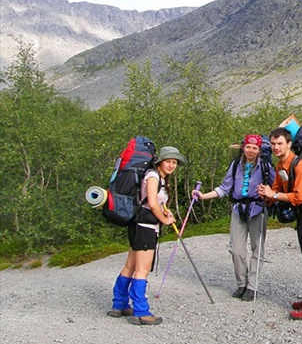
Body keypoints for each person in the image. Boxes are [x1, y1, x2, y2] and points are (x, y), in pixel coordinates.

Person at [108, 146, 186, 325]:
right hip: (145, 227)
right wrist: (164, 220)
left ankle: (119, 304)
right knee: (141, 269)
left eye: (175, 162)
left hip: (139, 225)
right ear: (160, 162)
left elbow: (154, 203)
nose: (172, 165)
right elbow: (151, 203)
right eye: (169, 161)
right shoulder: (153, 176)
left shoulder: (156, 176)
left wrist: (165, 214)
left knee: (130, 265)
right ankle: (141, 311)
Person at [258, 127, 302, 320]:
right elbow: (277, 188)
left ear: (289, 144)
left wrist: (275, 195)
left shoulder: (299, 165)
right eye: (272, 143)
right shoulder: (281, 165)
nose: (276, 147)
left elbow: (299, 196)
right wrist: (267, 194)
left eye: (280, 143)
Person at [194, 134, 269, 302]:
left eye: (254, 148)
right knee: (236, 249)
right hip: (238, 209)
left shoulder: (265, 166)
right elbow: (225, 187)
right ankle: (242, 283)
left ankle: (252, 287)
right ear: (243, 147)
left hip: (258, 209)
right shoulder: (236, 165)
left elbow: (274, 185)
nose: (250, 150)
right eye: (248, 147)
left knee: (258, 249)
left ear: (259, 150)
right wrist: (203, 196)